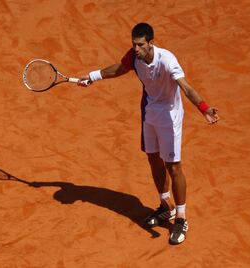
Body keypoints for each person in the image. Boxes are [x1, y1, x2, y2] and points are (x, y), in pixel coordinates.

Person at [77, 22, 219, 245]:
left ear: (151, 43)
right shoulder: (134, 57)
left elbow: (185, 86)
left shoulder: (167, 60)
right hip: (150, 113)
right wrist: (93, 77)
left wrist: (204, 108)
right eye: (133, 44)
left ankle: (181, 218)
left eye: (140, 45)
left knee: (173, 166)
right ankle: (166, 207)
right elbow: (119, 69)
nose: (136, 49)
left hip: (170, 117)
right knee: (153, 158)